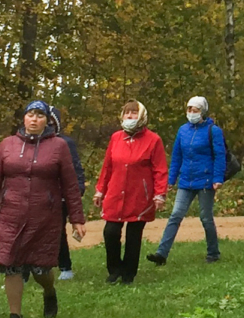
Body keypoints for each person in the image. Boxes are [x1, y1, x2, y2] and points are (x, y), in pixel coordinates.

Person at [0, 100, 85, 318]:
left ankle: (49, 291)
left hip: (45, 215)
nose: (34, 119)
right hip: (10, 214)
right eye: (30, 115)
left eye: (39, 116)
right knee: (10, 263)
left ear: (47, 121)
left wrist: (76, 218)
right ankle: (15, 315)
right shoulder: (7, 145)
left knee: (40, 269)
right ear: (23, 118)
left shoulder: (59, 146)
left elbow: (70, 184)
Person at [95, 100, 168, 283]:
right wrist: (100, 190)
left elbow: (160, 169)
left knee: (133, 236)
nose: (129, 116)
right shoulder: (116, 138)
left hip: (139, 195)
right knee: (110, 232)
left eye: (134, 113)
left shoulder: (153, 140)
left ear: (142, 116)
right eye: (127, 113)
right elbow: (108, 166)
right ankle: (114, 269)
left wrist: (160, 194)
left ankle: (129, 273)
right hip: (115, 192)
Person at [149, 95, 226, 266]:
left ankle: (213, 252)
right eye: (189, 109)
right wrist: (171, 179)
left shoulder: (213, 131)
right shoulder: (183, 130)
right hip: (186, 180)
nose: (191, 112)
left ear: (203, 112)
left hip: (205, 180)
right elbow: (177, 155)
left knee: (205, 218)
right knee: (175, 215)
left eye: (195, 110)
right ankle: (161, 253)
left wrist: (217, 178)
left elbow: (220, 156)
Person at [50, 107, 86, 281]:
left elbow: (75, 168)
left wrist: (77, 189)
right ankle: (25, 271)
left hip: (60, 195)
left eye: (51, 122)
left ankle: (65, 266)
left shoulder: (65, 143)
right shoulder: (30, 143)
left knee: (57, 231)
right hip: (36, 195)